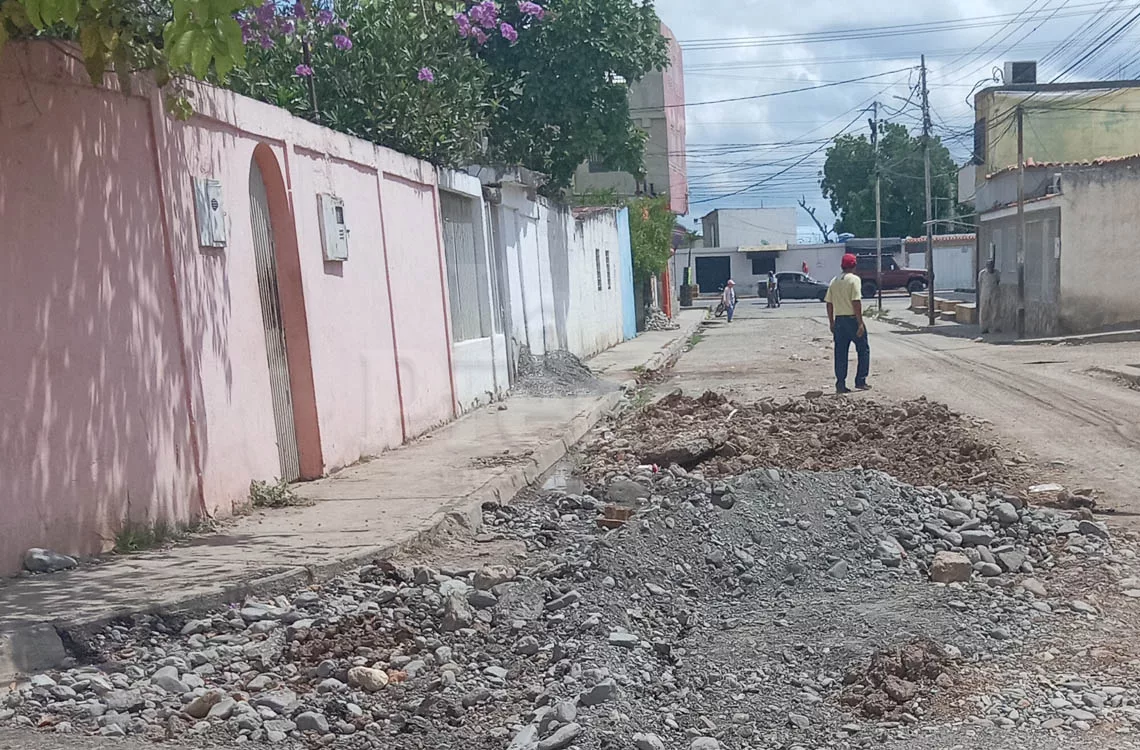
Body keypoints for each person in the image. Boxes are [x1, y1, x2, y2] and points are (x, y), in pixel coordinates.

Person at [825, 253, 870, 394]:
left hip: (839, 321)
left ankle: (840, 384)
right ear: (854, 266)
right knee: (863, 350)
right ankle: (860, 381)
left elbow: (829, 303)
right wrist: (860, 323)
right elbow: (856, 301)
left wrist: (831, 322)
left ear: (842, 266)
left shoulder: (834, 280)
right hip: (852, 320)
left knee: (840, 353)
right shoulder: (854, 280)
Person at [978, 256, 999, 334]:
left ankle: (994, 327)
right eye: (989, 265)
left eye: (992, 265)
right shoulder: (982, 273)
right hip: (985, 294)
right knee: (984, 311)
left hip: (994, 294)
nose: (990, 267)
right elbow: (980, 283)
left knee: (995, 311)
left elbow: (998, 281)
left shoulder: (997, 273)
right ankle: (984, 327)